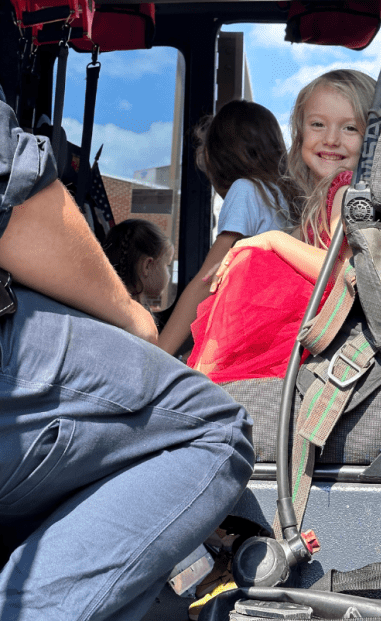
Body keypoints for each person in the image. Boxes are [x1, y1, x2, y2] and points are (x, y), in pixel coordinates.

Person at [0, 88, 254, 621]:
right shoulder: (257, 198)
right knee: (213, 425)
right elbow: (16, 202)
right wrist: (138, 323)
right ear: (146, 269)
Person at [187, 69, 376, 382]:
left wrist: (270, 240)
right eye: (318, 124)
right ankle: (200, 378)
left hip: (325, 322)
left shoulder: (344, 191)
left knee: (253, 261)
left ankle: (199, 380)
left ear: (371, 138)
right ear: (299, 134)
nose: (331, 139)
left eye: (350, 128)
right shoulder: (319, 199)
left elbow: (343, 272)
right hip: (316, 321)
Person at [158, 99, 300, 356]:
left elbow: (207, 281)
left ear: (218, 161)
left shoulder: (246, 189)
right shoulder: (287, 195)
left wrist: (158, 353)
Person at [104, 218, 174, 308]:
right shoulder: (137, 315)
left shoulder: (107, 305)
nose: (169, 275)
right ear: (147, 266)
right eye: (167, 265)